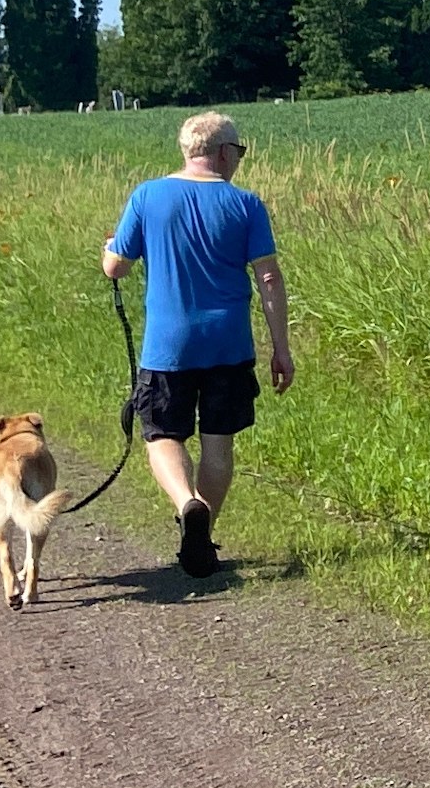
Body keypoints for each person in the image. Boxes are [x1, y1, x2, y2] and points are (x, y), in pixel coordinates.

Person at [100, 110, 295, 575]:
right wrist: (281, 347)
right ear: (224, 153)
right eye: (240, 152)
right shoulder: (246, 205)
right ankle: (201, 539)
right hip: (228, 343)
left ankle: (187, 504)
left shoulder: (148, 195)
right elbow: (268, 277)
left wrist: (111, 247)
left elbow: (115, 267)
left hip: (169, 345)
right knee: (218, 445)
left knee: (162, 434)